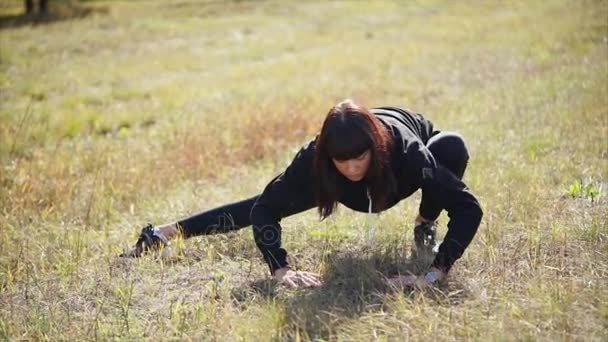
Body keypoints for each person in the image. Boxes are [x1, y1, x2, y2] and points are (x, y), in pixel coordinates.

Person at [121, 99, 483, 289]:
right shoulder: (316, 158)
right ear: (327, 155)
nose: (353, 168)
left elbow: (469, 209)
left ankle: (425, 222)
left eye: (359, 158)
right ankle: (165, 233)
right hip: (343, 180)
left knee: (452, 147)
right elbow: (264, 209)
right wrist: (280, 269)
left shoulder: (408, 154)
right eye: (343, 161)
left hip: (395, 178)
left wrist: (433, 275)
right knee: (264, 202)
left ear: (374, 148)